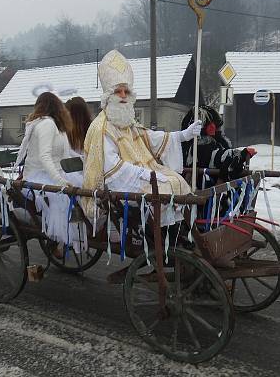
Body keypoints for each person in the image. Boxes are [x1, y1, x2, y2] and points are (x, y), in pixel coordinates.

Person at [81, 50, 201, 226]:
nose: (123, 95)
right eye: (118, 91)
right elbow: (110, 166)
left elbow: (150, 137)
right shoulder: (102, 127)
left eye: (126, 91)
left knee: (178, 181)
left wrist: (183, 135)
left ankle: (175, 230)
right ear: (108, 96)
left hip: (143, 173)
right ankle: (158, 232)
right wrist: (144, 173)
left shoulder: (128, 122)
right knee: (164, 189)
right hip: (118, 180)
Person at [15, 92, 84, 252]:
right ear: (57, 106)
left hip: (55, 171)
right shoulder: (46, 125)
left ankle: (67, 237)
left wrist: (86, 160)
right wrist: (60, 181)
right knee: (63, 197)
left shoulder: (57, 126)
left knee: (83, 187)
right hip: (39, 175)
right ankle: (58, 240)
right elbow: (44, 156)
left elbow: (66, 155)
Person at [181, 105, 256, 188]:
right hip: (201, 189)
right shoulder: (198, 146)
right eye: (215, 126)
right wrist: (241, 154)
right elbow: (216, 156)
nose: (218, 129)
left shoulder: (215, 142)